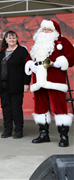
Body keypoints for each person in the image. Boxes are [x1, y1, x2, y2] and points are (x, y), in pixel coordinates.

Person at [25, 19, 74, 147]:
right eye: (44, 29)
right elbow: (29, 58)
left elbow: (72, 55)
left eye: (49, 29)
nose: (46, 31)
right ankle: (43, 134)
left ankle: (64, 136)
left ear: (55, 31)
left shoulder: (62, 42)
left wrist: (62, 61)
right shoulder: (37, 43)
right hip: (38, 80)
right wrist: (30, 64)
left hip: (55, 80)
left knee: (59, 108)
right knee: (40, 108)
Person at [0, 31, 31, 139]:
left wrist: (26, 83)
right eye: (9, 38)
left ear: (16, 39)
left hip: (16, 84)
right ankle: (7, 130)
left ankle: (19, 130)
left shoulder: (22, 51)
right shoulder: (2, 51)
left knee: (16, 108)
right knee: (6, 108)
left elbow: (28, 68)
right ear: (5, 40)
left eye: (14, 38)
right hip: (3, 84)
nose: (12, 40)